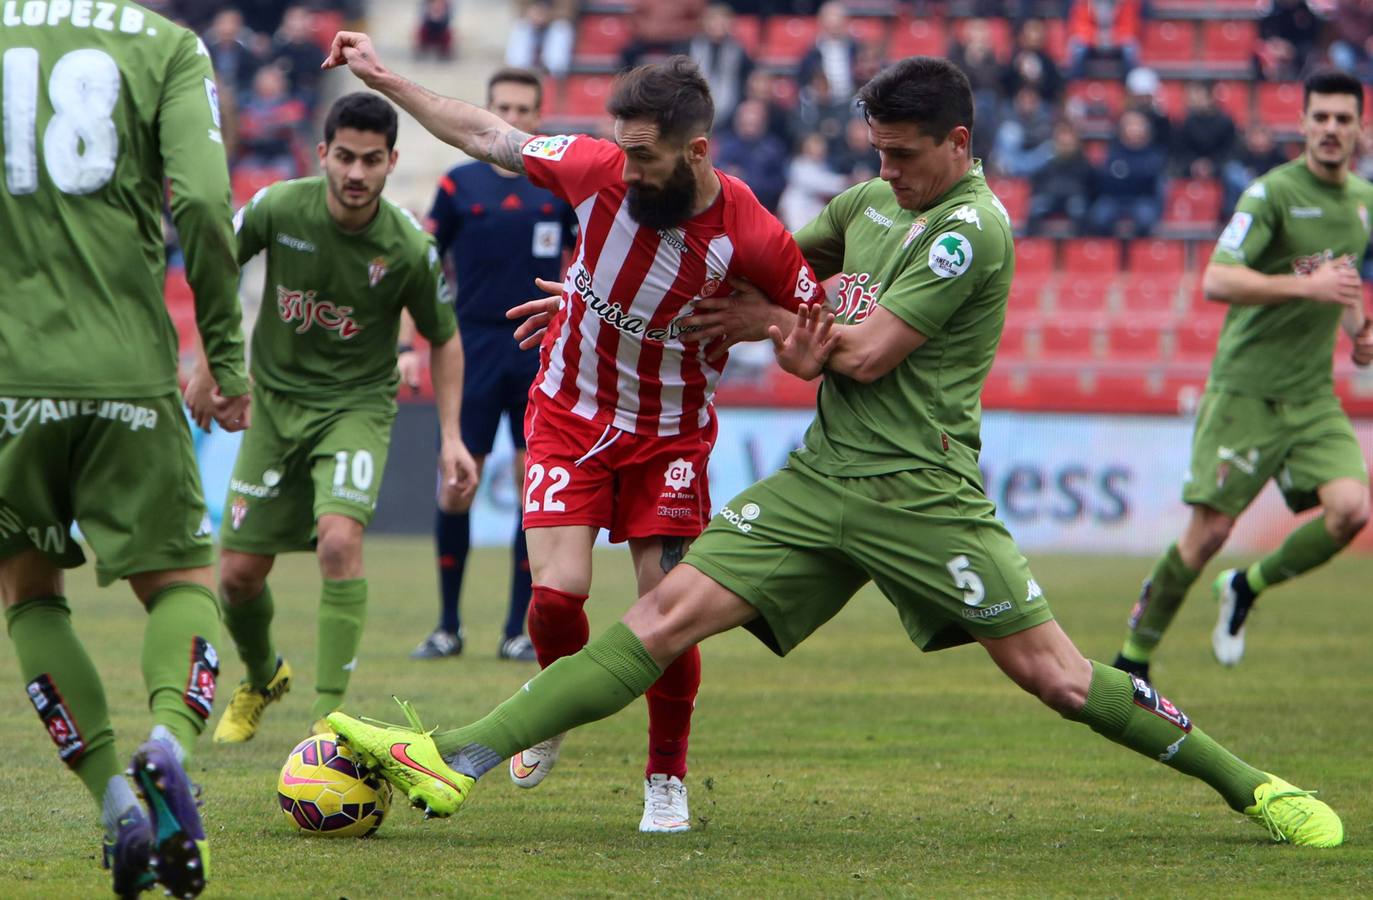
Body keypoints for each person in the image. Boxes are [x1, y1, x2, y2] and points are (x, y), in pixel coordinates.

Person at [323, 53, 1346, 851]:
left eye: (901, 154)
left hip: (919, 491)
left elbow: (854, 351)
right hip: (818, 484)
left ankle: (1250, 785)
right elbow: (747, 268)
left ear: (955, 142)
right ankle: (454, 756)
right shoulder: (863, 206)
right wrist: (614, 302)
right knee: (659, 618)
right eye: (875, 152)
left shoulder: (967, 231)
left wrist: (780, 330)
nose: (882, 172)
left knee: (1060, 681)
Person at [321, 34, 820, 832]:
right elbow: (488, 134)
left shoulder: (749, 232)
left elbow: (817, 326)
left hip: (669, 438)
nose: (627, 170)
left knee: (667, 614)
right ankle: (549, 711)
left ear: (695, 151)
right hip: (569, 411)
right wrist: (385, 77)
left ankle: (666, 777)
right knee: (555, 600)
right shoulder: (593, 167)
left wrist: (761, 320)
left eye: (645, 158)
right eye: (621, 152)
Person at [0, 4, 250, 895]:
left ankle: (116, 806)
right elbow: (207, 207)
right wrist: (224, 356)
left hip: (6, 380)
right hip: (128, 371)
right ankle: (166, 745)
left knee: (29, 596)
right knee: (179, 583)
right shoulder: (167, 45)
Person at [191, 93, 478, 742]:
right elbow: (214, 265)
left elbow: (446, 338)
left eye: (370, 161)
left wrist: (452, 437)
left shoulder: (407, 246)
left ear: (391, 162)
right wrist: (212, 366)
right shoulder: (278, 207)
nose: (355, 173)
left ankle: (330, 717)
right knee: (236, 577)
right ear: (322, 154)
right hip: (274, 404)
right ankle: (264, 675)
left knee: (340, 541)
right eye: (344, 157)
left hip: (356, 407)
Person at [1113, 70, 1373, 681]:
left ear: (1360, 128)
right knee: (1207, 535)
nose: (1331, 129)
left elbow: (1343, 278)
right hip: (1246, 391)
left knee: (1352, 511)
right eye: (1321, 118)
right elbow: (1216, 279)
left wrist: (1359, 331)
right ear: (1303, 123)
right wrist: (1303, 286)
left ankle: (1246, 586)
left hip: (1311, 397)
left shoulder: (1362, 201)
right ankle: (1134, 659)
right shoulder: (1270, 194)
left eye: (1343, 118)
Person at [409, 69, 577, 663]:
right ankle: (448, 626)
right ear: (489, 108)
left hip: (537, 349)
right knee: (458, 484)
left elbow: (588, 265)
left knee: (535, 492)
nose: (513, 115)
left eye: (524, 107)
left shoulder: (559, 190)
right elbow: (421, 268)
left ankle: (517, 629)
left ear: (539, 114)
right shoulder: (459, 185)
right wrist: (410, 345)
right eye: (503, 105)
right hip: (471, 346)